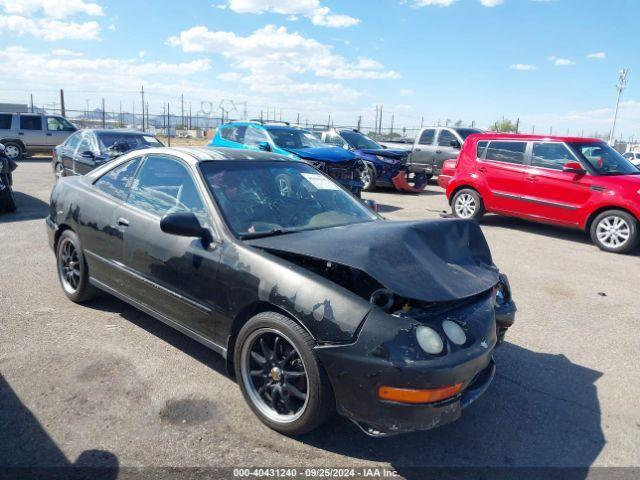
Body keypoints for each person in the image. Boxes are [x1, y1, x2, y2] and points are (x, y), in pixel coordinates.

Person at [0, 143, 17, 213]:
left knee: (4, 190)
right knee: (5, 190)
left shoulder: (3, 160)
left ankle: (6, 208)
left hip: (2, 175)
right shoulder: (4, 159)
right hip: (3, 175)